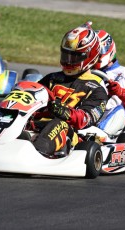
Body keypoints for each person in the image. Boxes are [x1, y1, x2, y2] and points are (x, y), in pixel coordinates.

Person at [32, 23, 108, 157]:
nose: (68, 61)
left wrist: (65, 112)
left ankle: (37, 154)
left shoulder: (97, 89)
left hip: (70, 134)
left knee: (58, 123)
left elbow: (86, 118)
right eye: (66, 55)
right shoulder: (52, 78)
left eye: (74, 57)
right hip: (38, 125)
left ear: (90, 56)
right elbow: (33, 97)